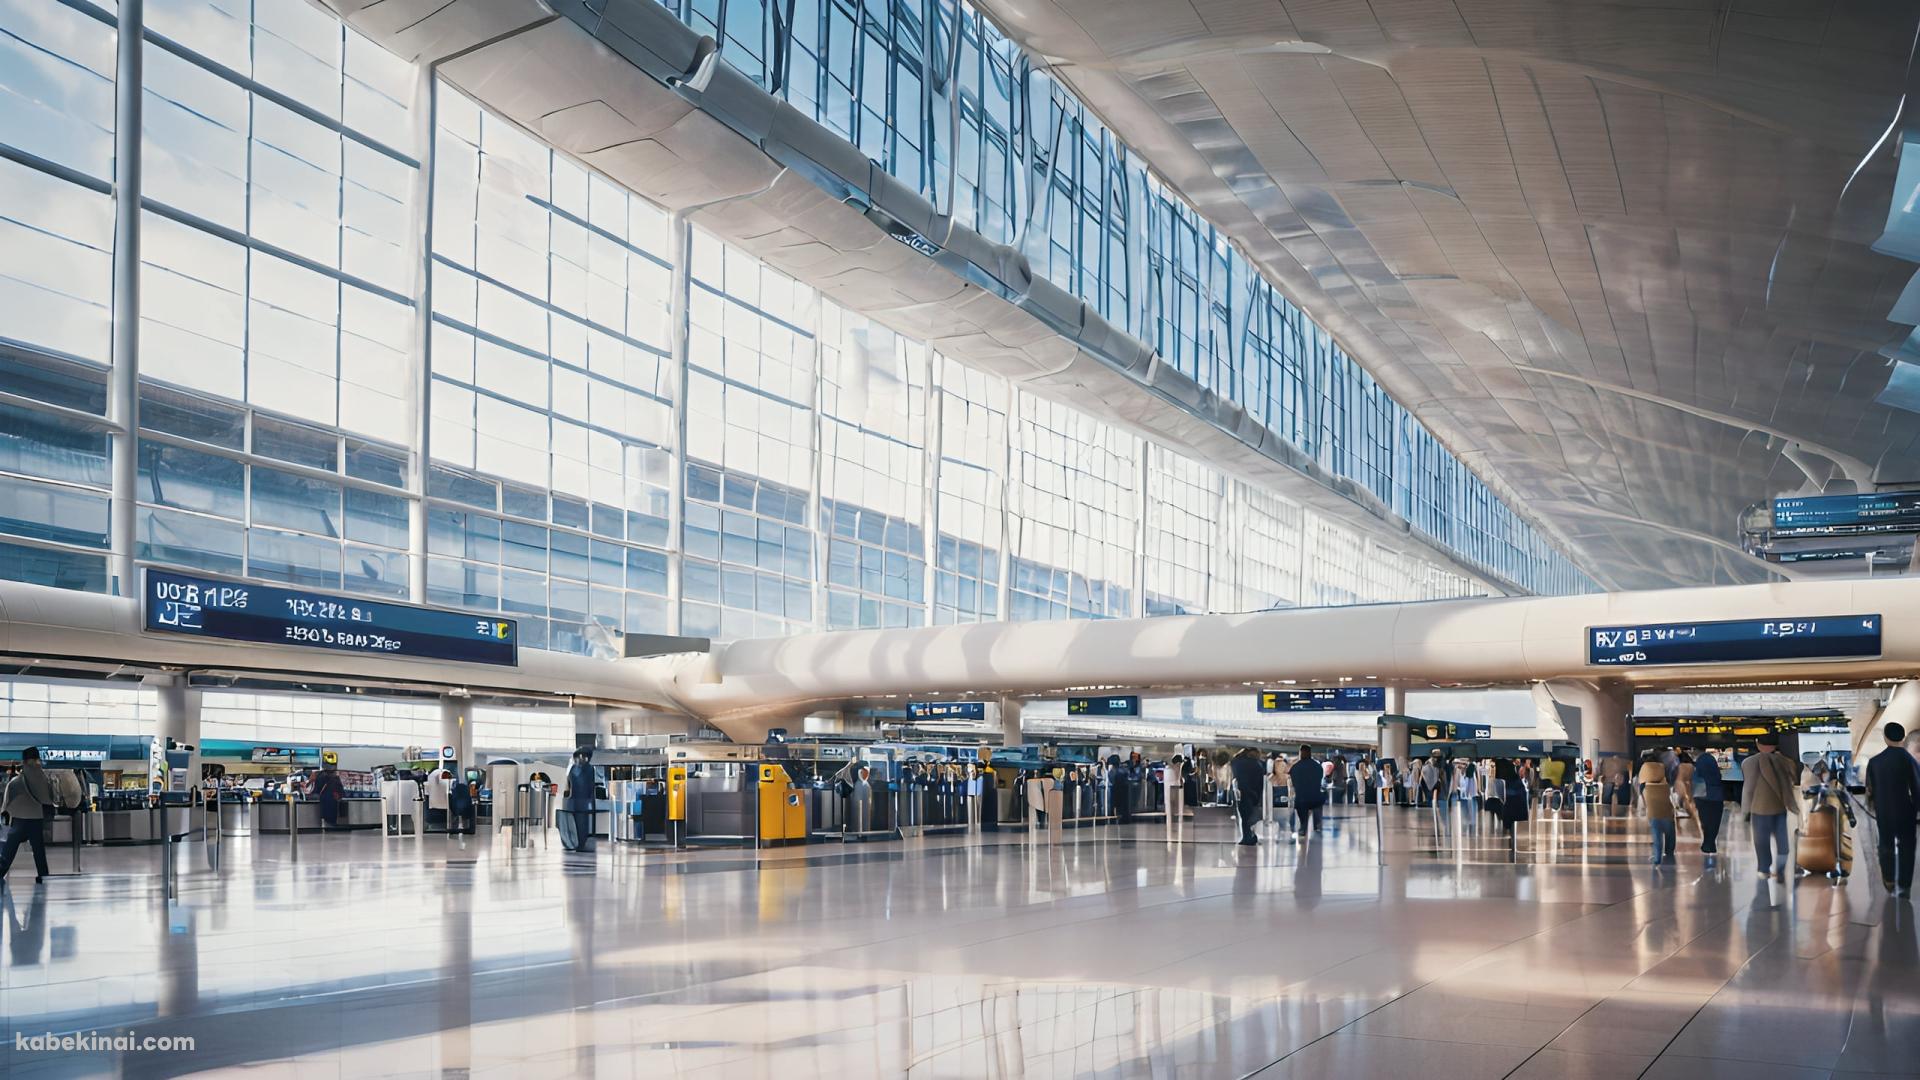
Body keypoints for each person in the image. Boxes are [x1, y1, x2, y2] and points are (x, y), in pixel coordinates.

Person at [1865, 722, 1919, 896]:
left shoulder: (1875, 762)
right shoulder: (1909, 760)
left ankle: (1889, 880)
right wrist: (1916, 808)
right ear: (1903, 737)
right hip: (1906, 811)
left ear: (1886, 738)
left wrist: (1873, 807)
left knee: (1885, 845)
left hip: (1884, 811)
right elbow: (1917, 787)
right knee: (1907, 847)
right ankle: (1904, 885)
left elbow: (1870, 790)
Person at [1742, 732, 1801, 881]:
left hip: (1759, 809)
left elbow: (1748, 789)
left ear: (1758, 744)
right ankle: (1780, 870)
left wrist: (1745, 811)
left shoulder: (1749, 763)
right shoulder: (1787, 762)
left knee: (1761, 842)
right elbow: (1793, 780)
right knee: (1783, 844)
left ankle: (1764, 869)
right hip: (1780, 808)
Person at [0, 747, 57, 886]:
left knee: (9, 850)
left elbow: (6, 804)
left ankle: (1, 872)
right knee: (38, 851)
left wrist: (5, 814)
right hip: (36, 819)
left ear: (24, 762)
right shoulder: (43, 778)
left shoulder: (15, 782)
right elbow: (49, 798)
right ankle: (44, 876)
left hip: (19, 819)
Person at [1639, 751, 1676, 866]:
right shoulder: (1665, 781)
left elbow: (1642, 797)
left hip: (1653, 813)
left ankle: (1657, 859)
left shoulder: (1644, 786)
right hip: (1667, 812)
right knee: (1670, 833)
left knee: (1657, 838)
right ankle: (1669, 853)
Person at [1693, 749, 1726, 866]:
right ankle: (1710, 844)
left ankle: (1708, 844)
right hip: (1716, 798)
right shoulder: (1716, 775)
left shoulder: (1697, 774)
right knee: (1714, 823)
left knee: (1705, 822)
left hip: (1701, 797)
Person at [561, 748, 597, 852]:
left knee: (582, 824)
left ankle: (580, 843)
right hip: (578, 802)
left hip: (582, 802)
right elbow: (570, 785)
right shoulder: (576, 769)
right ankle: (577, 843)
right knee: (578, 824)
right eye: (580, 756)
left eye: (584, 757)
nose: (582, 759)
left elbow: (590, 787)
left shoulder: (587, 769)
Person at [1228, 747, 1266, 846]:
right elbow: (1260, 781)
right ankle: (1248, 836)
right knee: (1248, 817)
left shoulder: (1237, 762)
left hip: (1242, 792)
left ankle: (1247, 837)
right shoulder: (1257, 764)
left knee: (1244, 817)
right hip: (1253, 793)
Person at [1288, 745, 1326, 838]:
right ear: (1310, 753)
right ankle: (1317, 826)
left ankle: (1303, 827)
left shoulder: (1296, 767)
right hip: (1316, 797)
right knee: (1317, 807)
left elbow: (1294, 782)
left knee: (1302, 812)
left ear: (1300, 753)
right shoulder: (1317, 766)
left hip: (1301, 798)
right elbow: (1320, 779)